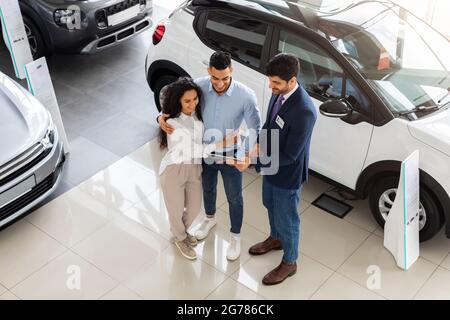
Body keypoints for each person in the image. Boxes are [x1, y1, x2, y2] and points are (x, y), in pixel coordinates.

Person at [158, 51, 261, 261]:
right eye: (215, 78)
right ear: (209, 72)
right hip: (203, 155)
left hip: (230, 156)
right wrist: (160, 116)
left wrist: (247, 156)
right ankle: (209, 219)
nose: (220, 83)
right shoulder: (199, 86)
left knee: (235, 198)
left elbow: (255, 128)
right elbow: (174, 101)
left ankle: (235, 236)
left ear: (232, 71)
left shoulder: (246, 95)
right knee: (207, 189)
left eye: (225, 78)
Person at [233, 53, 317, 285]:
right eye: (270, 81)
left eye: (276, 83)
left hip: (287, 173)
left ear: (292, 80)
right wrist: (255, 147)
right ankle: (276, 238)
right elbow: (269, 124)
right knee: (269, 204)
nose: (271, 86)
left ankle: (290, 262)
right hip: (270, 166)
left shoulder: (304, 111)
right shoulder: (277, 92)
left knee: (287, 217)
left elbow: (291, 154)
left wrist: (253, 159)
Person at [158, 77, 237, 260]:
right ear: (178, 100)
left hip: (194, 168)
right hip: (174, 169)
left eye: (195, 99)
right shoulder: (172, 122)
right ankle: (180, 237)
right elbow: (194, 149)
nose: (192, 104)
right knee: (175, 210)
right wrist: (223, 143)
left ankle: (180, 233)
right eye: (187, 101)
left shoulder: (197, 115)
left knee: (194, 208)